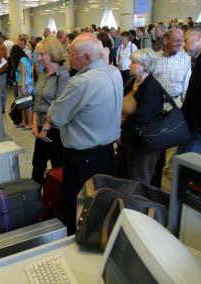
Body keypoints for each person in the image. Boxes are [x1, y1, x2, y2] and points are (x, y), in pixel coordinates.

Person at [47, 33, 123, 234]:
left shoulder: (80, 83)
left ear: (87, 57)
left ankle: (77, 240)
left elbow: (56, 117)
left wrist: (54, 105)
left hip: (82, 158)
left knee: (78, 205)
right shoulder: (114, 73)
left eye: (72, 54)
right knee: (102, 201)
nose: (69, 57)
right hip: (107, 152)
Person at [119, 48, 165, 184]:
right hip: (131, 140)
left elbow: (143, 117)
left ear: (144, 66)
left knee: (139, 181)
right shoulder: (133, 82)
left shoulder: (152, 88)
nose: (129, 65)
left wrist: (121, 127)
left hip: (143, 145)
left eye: (133, 62)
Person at [31, 37, 70, 185]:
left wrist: (44, 131)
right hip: (41, 127)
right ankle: (36, 202)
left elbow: (59, 106)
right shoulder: (42, 73)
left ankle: (56, 203)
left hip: (54, 130)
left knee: (57, 169)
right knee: (37, 166)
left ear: (52, 55)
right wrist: (34, 124)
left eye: (42, 54)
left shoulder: (63, 76)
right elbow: (36, 101)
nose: (39, 58)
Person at [153, 29, 191, 108]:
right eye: (177, 40)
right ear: (166, 40)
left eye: (181, 41)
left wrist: (185, 101)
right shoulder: (154, 58)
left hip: (177, 103)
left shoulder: (185, 58)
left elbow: (186, 82)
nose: (180, 44)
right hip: (156, 102)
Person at [10, 45, 34, 129]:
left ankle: (30, 123)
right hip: (24, 83)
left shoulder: (21, 60)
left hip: (25, 84)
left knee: (27, 105)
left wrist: (23, 87)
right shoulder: (24, 58)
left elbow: (24, 75)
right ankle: (24, 121)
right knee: (23, 104)